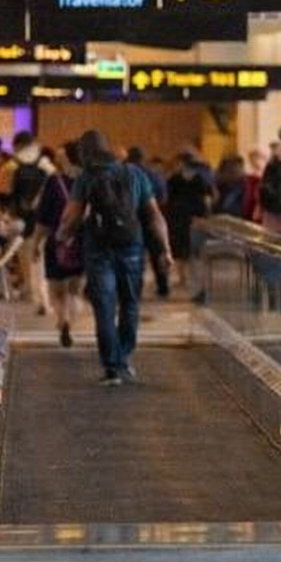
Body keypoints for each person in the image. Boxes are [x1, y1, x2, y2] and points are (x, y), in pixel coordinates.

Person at [57, 129, 172, 385]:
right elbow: (154, 215)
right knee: (130, 303)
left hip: (99, 249)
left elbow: (72, 216)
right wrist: (165, 248)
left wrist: (62, 237)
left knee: (105, 306)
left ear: (84, 153)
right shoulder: (135, 173)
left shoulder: (86, 177)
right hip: (132, 246)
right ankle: (124, 357)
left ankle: (112, 367)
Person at [31, 140, 84, 349]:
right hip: (81, 240)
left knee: (57, 289)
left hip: (57, 240)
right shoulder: (87, 180)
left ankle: (62, 319)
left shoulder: (54, 182)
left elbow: (43, 218)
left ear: (66, 158)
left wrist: (36, 243)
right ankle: (70, 320)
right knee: (74, 289)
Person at [0, 131, 55, 309]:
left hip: (20, 220)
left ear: (16, 146)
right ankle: (42, 295)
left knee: (26, 257)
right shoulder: (46, 165)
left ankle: (32, 292)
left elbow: (3, 196)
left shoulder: (10, 166)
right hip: (44, 219)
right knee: (40, 258)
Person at [164, 145, 215, 299]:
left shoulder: (174, 178)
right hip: (195, 216)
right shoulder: (201, 178)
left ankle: (184, 278)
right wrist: (207, 215)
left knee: (181, 247)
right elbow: (209, 196)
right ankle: (194, 280)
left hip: (178, 215)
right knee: (194, 249)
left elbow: (169, 198)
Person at [126, 146, 171, 297]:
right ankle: (163, 286)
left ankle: (136, 288)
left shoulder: (124, 175)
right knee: (157, 253)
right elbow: (163, 197)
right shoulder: (153, 175)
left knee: (135, 256)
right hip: (152, 217)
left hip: (132, 219)